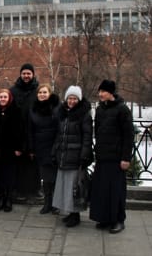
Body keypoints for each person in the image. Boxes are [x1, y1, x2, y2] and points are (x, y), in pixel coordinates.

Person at [90, 80, 134, 234]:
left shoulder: (122, 110)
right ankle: (105, 218)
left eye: (103, 91)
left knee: (116, 191)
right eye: (100, 91)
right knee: (102, 190)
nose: (100, 94)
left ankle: (118, 220)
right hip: (103, 156)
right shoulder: (101, 109)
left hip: (116, 158)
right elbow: (98, 131)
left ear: (111, 92)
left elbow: (128, 136)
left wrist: (126, 158)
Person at [52, 86, 93, 227]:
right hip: (63, 155)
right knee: (65, 186)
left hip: (75, 156)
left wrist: (84, 155)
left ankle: (75, 215)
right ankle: (70, 212)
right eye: (70, 98)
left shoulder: (84, 115)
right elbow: (59, 135)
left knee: (74, 188)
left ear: (79, 99)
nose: (72, 101)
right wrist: (55, 151)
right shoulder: (62, 113)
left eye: (75, 98)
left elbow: (87, 137)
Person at [9, 63, 42, 201]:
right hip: (18, 130)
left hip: (34, 129)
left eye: (29, 73)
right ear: (20, 74)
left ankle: (34, 190)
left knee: (33, 161)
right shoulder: (13, 90)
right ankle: (18, 190)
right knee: (18, 162)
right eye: (24, 73)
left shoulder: (38, 90)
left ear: (33, 74)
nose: (26, 76)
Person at [28, 84, 60, 214]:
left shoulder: (57, 108)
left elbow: (60, 128)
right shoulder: (33, 109)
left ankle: (56, 204)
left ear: (50, 93)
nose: (42, 94)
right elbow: (30, 130)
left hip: (54, 145)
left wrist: (57, 146)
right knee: (46, 177)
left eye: (45, 92)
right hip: (40, 147)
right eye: (40, 92)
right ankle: (48, 203)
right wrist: (31, 148)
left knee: (56, 177)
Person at [0, 89, 23, 212]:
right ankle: (0, 198)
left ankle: (9, 199)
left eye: (5, 97)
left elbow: (20, 131)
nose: (3, 99)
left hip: (10, 150)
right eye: (1, 97)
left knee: (9, 175)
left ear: (9, 98)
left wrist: (19, 148)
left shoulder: (16, 111)